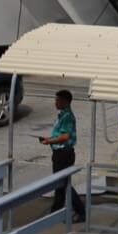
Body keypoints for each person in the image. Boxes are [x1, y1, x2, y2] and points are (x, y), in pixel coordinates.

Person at [40, 89, 84, 218]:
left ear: (65, 101)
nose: (55, 102)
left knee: (64, 184)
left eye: (58, 100)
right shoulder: (62, 115)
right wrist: (50, 140)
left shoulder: (67, 116)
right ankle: (56, 210)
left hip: (64, 153)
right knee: (59, 183)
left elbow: (65, 136)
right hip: (59, 152)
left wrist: (49, 141)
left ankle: (81, 211)